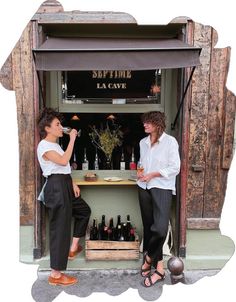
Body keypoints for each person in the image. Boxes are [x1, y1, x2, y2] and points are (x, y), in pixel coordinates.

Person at [37, 108, 91, 286]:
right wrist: (73, 139)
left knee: (83, 211)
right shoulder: (44, 146)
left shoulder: (56, 145)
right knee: (60, 228)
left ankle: (73, 247)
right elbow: (63, 161)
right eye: (57, 125)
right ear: (47, 128)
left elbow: (63, 168)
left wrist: (72, 182)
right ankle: (56, 274)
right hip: (56, 187)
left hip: (65, 184)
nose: (61, 127)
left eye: (60, 124)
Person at [137, 111, 180, 287]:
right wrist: (140, 171)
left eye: (148, 122)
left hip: (162, 188)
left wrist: (153, 174)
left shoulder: (170, 142)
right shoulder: (143, 142)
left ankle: (148, 259)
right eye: (144, 122)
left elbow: (175, 167)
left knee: (160, 229)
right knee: (149, 229)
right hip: (143, 188)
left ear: (158, 123)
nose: (145, 125)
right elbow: (143, 163)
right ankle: (160, 269)